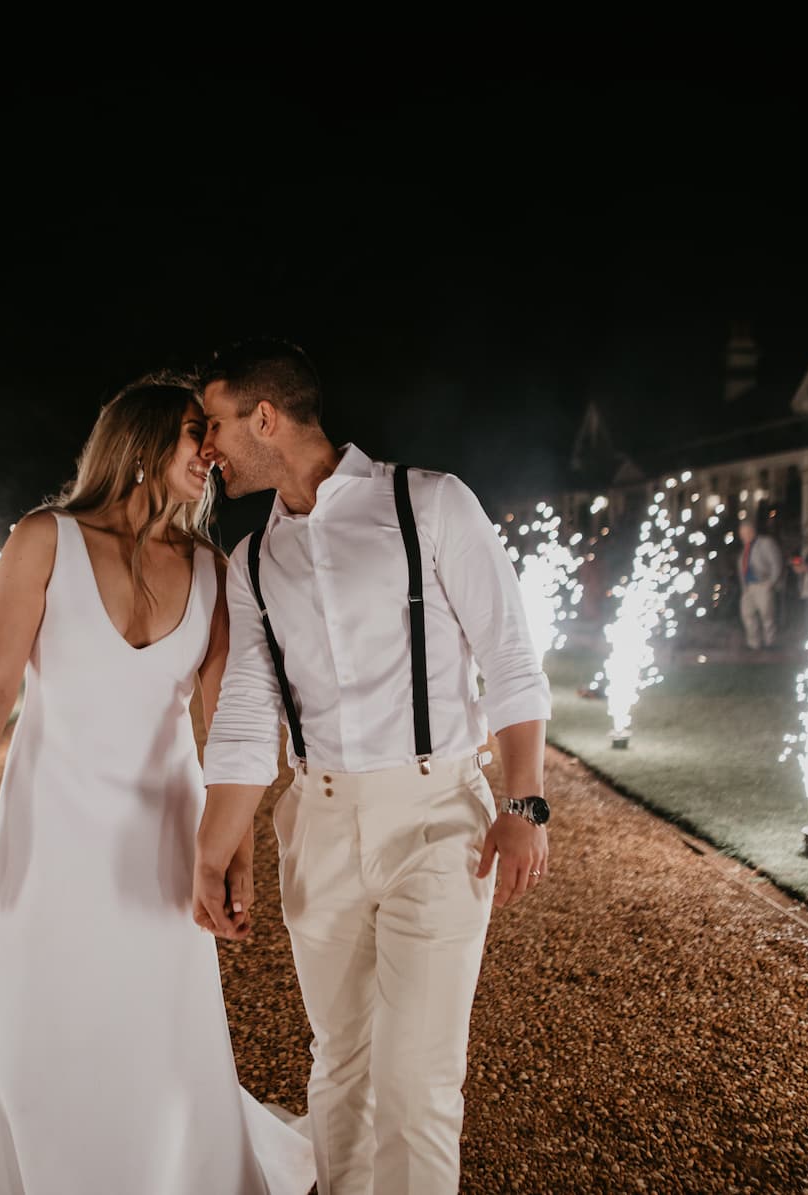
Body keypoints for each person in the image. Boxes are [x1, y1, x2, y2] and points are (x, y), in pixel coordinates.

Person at [0, 373, 315, 1194]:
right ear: (137, 443)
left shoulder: (213, 571)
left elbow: (231, 731)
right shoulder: (43, 539)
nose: (211, 451)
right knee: (37, 1026)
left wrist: (233, 851)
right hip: (48, 831)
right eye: (191, 433)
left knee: (154, 1033)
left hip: (161, 843)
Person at [189, 339, 552, 1195]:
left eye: (215, 424)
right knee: (340, 1067)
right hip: (315, 822)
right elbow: (246, 710)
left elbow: (509, 653)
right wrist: (215, 847)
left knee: (417, 1080)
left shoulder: (429, 504)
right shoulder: (252, 561)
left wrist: (525, 800)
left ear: (265, 417)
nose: (206, 446)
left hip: (438, 819)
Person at [736, 519, 784, 650]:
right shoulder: (745, 549)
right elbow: (743, 568)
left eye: (745, 533)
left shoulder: (765, 543)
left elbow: (776, 563)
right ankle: (754, 643)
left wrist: (772, 582)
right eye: (741, 534)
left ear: (752, 531)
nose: (742, 536)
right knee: (747, 614)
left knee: (767, 615)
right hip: (749, 586)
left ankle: (770, 642)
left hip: (763, 583)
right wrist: (744, 587)